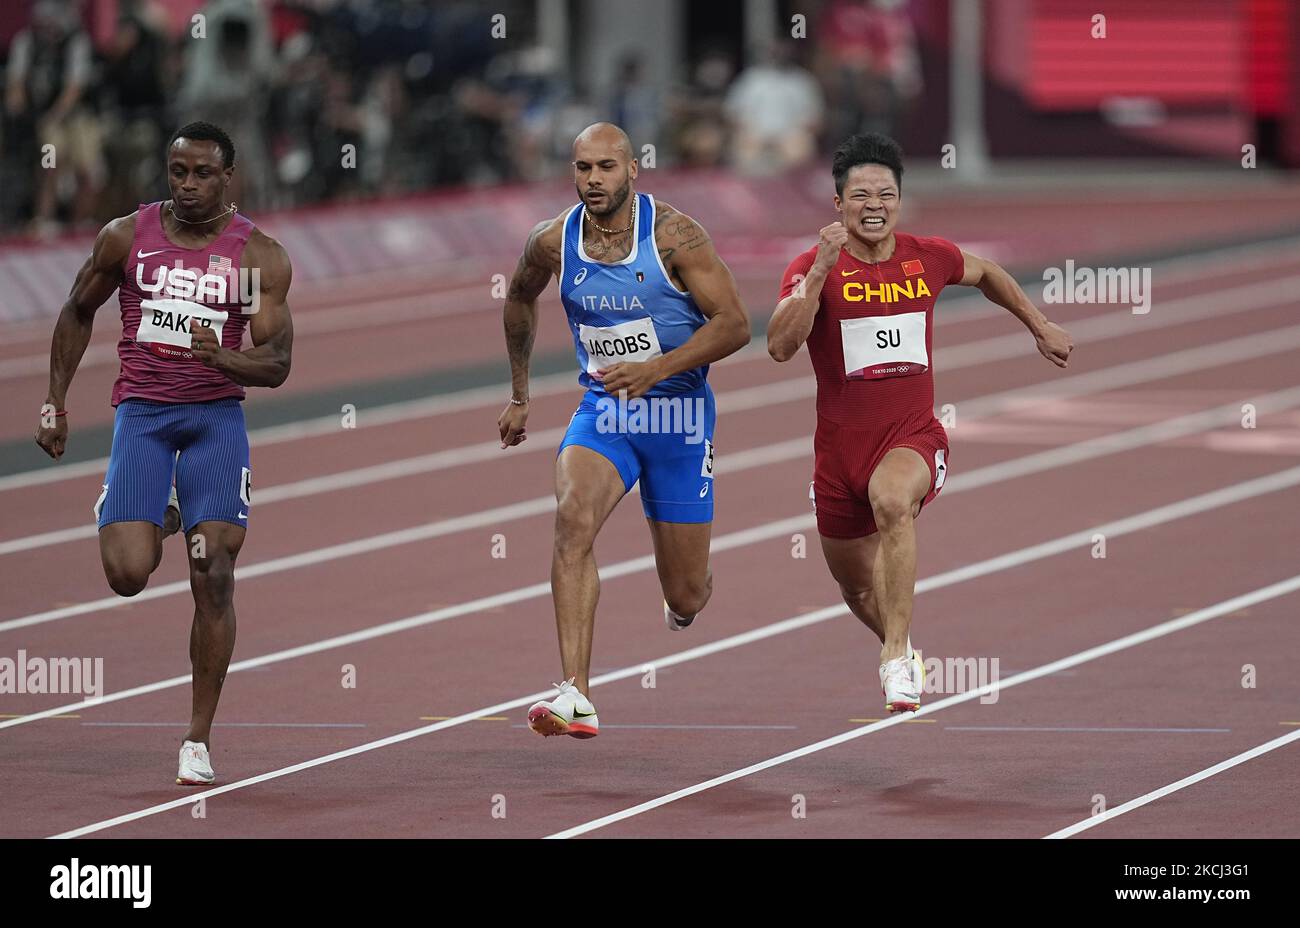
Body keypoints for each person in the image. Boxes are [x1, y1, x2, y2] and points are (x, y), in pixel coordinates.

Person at [767, 133, 1073, 712]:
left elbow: (987, 274)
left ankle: (894, 656)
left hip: (912, 437)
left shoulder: (927, 256)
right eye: (860, 195)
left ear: (900, 200)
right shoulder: (811, 267)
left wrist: (1039, 325)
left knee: (892, 502)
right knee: (855, 585)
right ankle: (902, 649)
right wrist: (819, 273)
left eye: (886, 193)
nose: (873, 205)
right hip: (838, 453)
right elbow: (781, 346)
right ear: (838, 205)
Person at [33, 121, 294, 784]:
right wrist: (55, 401)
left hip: (213, 422)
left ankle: (197, 739)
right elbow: (75, 309)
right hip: (144, 419)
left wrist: (224, 356)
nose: (187, 185)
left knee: (213, 576)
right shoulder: (127, 237)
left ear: (227, 178)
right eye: (178, 172)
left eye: (202, 173)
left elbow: (278, 363)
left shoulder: (254, 257)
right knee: (127, 575)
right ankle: (153, 506)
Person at [499, 122, 750, 738]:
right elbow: (519, 297)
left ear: (633, 170)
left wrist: (657, 368)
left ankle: (684, 597)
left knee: (688, 592)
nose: (592, 181)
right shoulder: (552, 241)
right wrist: (520, 393)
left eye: (606, 168)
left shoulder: (675, 236)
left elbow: (737, 324)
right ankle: (575, 693)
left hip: (679, 416)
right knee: (572, 516)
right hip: (606, 412)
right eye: (582, 169)